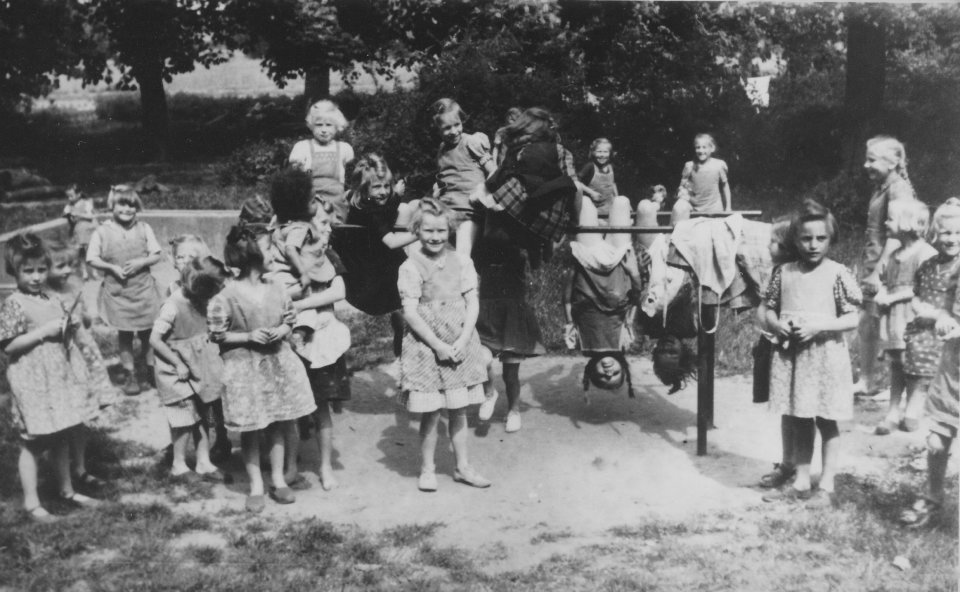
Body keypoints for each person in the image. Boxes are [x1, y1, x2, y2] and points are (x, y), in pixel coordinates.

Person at [207, 226, 316, 513]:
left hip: (277, 365)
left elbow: (289, 319)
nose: (276, 255)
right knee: (252, 429)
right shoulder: (226, 296)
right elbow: (217, 334)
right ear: (252, 256)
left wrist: (281, 330)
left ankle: (278, 479)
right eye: (270, 249)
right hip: (245, 370)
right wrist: (247, 336)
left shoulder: (277, 288)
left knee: (278, 422)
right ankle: (256, 485)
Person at [761, 200, 861, 507]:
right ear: (795, 239)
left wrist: (819, 327)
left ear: (831, 239)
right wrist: (776, 324)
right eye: (806, 238)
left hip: (825, 358)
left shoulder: (837, 273)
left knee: (826, 421)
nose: (814, 245)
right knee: (800, 418)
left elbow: (852, 317)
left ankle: (826, 484)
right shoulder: (784, 272)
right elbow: (768, 308)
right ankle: (801, 480)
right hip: (794, 357)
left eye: (821, 238)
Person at [1, 233, 102, 522]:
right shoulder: (15, 303)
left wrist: (69, 326)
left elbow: (61, 333)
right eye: (28, 271)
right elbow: (8, 346)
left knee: (61, 434)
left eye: (41, 270)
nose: (36, 277)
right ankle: (32, 502)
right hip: (32, 381)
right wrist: (43, 332)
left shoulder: (52, 298)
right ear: (15, 271)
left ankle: (67, 490)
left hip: (57, 377)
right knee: (34, 442)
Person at [398, 199, 491, 492]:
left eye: (441, 230)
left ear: (449, 230)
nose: (435, 237)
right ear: (417, 230)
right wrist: (437, 345)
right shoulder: (410, 266)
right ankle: (428, 469)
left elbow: (472, 302)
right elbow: (410, 312)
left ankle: (463, 467)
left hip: (459, 342)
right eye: (428, 231)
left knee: (459, 410)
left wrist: (463, 340)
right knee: (432, 412)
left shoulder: (462, 262)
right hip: (427, 346)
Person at [900, 198, 960, 528]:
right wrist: (938, 316)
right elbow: (924, 299)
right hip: (950, 367)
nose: (952, 239)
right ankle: (933, 496)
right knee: (936, 441)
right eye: (946, 232)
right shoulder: (933, 266)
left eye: (958, 233)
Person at [330, 153, 419, 357]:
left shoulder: (360, 202)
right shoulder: (371, 212)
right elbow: (391, 242)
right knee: (408, 287)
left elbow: (387, 206)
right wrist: (420, 233)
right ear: (363, 188)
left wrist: (396, 194)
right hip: (370, 276)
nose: (383, 192)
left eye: (386, 186)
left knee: (411, 205)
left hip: (364, 264)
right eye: (377, 187)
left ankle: (402, 328)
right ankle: (406, 335)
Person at [149, 256, 229, 484]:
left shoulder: (202, 301)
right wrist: (177, 363)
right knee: (183, 419)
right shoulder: (172, 306)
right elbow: (155, 340)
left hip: (199, 368)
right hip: (177, 371)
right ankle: (178, 464)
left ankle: (204, 462)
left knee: (202, 416)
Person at [46, 241, 116, 491]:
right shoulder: (45, 297)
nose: (67, 270)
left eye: (70, 265)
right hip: (60, 361)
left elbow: (85, 321)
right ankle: (58, 472)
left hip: (81, 359)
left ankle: (80, 467)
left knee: (81, 417)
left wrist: (83, 314)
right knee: (62, 420)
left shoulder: (73, 288)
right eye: (60, 266)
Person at [290, 205, 351, 491]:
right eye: (323, 223)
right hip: (294, 339)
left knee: (322, 405)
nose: (329, 228)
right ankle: (290, 463)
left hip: (322, 341)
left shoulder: (330, 256)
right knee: (291, 406)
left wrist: (302, 304)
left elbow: (338, 291)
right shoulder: (289, 259)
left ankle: (325, 465)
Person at [562, 195, 644, 398]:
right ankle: (604, 224)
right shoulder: (625, 341)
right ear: (623, 367)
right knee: (621, 202)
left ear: (591, 370)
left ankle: (599, 221)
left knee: (584, 202)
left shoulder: (579, 342)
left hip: (587, 261)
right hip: (618, 262)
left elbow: (567, 301)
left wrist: (571, 273)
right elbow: (636, 299)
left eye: (602, 376)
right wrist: (634, 272)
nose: (608, 372)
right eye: (615, 374)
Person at [86, 185, 162, 396]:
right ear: (112, 206)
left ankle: (151, 371)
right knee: (125, 335)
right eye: (122, 204)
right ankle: (130, 375)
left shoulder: (144, 228)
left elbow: (157, 254)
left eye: (132, 205)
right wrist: (111, 267)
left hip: (143, 291)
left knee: (148, 333)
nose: (127, 209)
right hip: (118, 293)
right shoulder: (102, 232)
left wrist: (141, 262)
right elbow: (91, 258)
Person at [857, 135, 917, 399]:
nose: (866, 165)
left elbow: (897, 236)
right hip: (873, 262)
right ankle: (867, 380)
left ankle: (897, 388)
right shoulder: (882, 186)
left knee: (892, 326)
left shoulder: (898, 189)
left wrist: (877, 271)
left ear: (893, 162)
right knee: (868, 323)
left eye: (872, 160)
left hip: (888, 267)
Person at [474, 214, 545, 433]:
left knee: (510, 374)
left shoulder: (520, 253)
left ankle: (513, 411)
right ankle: (489, 393)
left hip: (511, 320)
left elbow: (538, 257)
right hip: (487, 317)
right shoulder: (481, 253)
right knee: (481, 360)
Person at [474, 107, 579, 255]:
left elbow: (498, 177)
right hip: (548, 215)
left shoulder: (519, 150)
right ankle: (541, 248)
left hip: (519, 207)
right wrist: (574, 220)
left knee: (489, 197)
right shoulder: (561, 151)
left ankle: (519, 251)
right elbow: (576, 186)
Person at [874, 200, 937, 434]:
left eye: (890, 218)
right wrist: (882, 293)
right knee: (897, 363)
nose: (885, 223)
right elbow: (884, 281)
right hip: (893, 318)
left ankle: (913, 408)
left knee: (914, 363)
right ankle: (893, 410)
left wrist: (892, 298)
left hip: (914, 318)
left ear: (908, 223)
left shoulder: (926, 254)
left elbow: (923, 289)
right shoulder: (894, 255)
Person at [755, 219, 801, 489]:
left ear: (787, 246)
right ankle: (788, 462)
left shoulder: (793, 273)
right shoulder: (776, 272)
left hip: (792, 344)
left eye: (774, 242)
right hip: (775, 341)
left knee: (796, 410)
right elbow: (764, 309)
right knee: (786, 408)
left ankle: (795, 464)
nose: (768, 246)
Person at [431, 98, 497, 255]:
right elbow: (445, 176)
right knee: (433, 250)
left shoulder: (471, 142)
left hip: (469, 210)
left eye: (457, 124)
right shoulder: (442, 149)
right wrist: (436, 189)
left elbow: (494, 171)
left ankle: (467, 269)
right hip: (446, 209)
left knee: (462, 254)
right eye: (447, 128)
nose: (454, 131)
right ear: (438, 129)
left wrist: (482, 193)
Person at [288, 99, 355, 223]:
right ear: (311, 126)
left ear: (337, 127)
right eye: (319, 125)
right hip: (312, 200)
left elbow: (351, 177)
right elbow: (296, 179)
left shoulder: (343, 149)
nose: (324, 130)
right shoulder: (303, 147)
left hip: (336, 200)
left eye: (329, 125)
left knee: (337, 225)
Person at [265, 168, 324, 300]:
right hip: (289, 280)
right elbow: (290, 249)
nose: (317, 205)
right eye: (313, 201)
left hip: (276, 276)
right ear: (299, 208)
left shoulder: (281, 222)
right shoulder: (299, 228)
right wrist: (303, 273)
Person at [672, 133, 731, 223]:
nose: (701, 150)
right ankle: (674, 230)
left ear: (712, 148)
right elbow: (682, 187)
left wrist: (728, 207)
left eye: (704, 147)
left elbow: (725, 186)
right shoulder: (689, 166)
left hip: (713, 206)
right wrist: (682, 193)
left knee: (716, 229)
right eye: (698, 147)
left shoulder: (719, 165)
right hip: (693, 206)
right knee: (679, 207)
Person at [62, 185, 98, 280]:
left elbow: (91, 216)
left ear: (78, 194)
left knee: (91, 252)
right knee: (81, 253)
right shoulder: (69, 206)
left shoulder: (86, 203)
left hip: (88, 231)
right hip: (77, 232)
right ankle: (84, 272)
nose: (69, 198)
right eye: (68, 196)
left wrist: (79, 214)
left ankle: (95, 271)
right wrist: (68, 215)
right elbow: (67, 217)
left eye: (71, 196)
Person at [578, 138, 619, 218]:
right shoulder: (590, 167)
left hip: (609, 207)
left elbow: (613, 183)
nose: (602, 155)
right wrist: (591, 192)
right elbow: (577, 182)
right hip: (593, 207)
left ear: (610, 153)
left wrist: (617, 198)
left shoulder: (611, 167)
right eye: (599, 151)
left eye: (605, 152)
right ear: (593, 152)